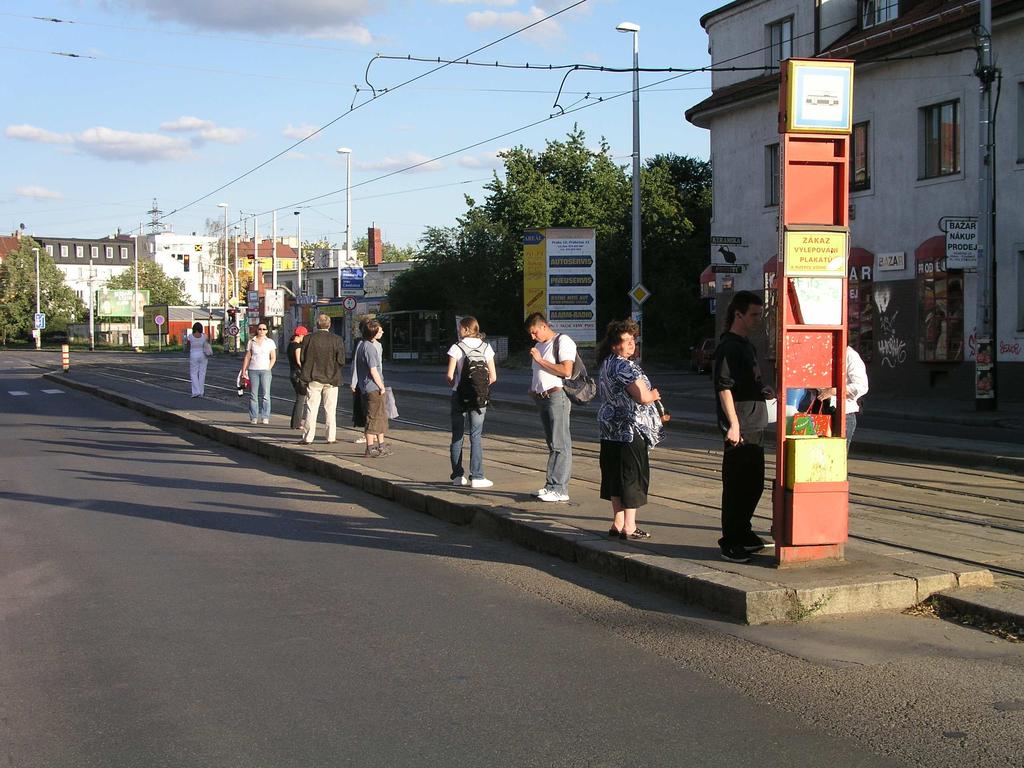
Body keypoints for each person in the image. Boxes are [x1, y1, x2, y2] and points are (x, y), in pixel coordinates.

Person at [714, 290, 774, 563]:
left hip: (755, 420)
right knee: (737, 485)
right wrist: (733, 424)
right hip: (741, 426)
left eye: (759, 314)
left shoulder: (746, 344)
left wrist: (763, 389)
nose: (757, 319)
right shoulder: (729, 346)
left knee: (754, 484)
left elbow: (747, 382)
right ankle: (731, 541)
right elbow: (724, 388)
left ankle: (744, 532)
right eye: (753, 314)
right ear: (737, 314)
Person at [596, 319, 663, 540]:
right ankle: (630, 527)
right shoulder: (624, 366)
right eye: (626, 340)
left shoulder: (606, 363)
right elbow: (643, 397)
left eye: (633, 339)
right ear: (615, 345)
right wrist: (654, 395)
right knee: (632, 477)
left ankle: (618, 523)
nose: (632, 344)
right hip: (630, 429)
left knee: (615, 476)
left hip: (609, 429)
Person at [526, 312, 574, 502]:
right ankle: (551, 485)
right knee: (553, 443)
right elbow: (537, 373)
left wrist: (540, 360)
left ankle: (559, 488)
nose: (532, 337)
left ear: (544, 326)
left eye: (534, 332)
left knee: (560, 443)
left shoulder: (563, 341)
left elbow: (566, 370)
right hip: (543, 397)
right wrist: (533, 389)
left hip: (557, 396)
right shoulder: (539, 345)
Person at [446, 316, 498, 488]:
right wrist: (479, 387)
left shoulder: (456, 347)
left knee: (457, 436)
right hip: (479, 398)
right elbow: (493, 376)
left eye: (460, 328)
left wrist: (457, 385)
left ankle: (457, 476)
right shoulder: (486, 347)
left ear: (467, 329)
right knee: (476, 436)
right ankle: (477, 476)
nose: (458, 331)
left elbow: (449, 375)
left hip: (459, 396)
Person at [299, 314, 346, 445]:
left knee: (311, 408)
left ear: (317, 324)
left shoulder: (308, 339)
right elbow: (341, 360)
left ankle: (308, 437)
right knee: (330, 409)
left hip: (313, 377)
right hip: (332, 378)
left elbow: (302, 358)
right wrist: (334, 369)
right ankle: (331, 437)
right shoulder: (337, 339)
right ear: (329, 325)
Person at [815, 345, 869, 451]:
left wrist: (834, 391)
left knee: (837, 455)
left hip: (843, 412)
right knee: (820, 452)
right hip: (821, 411)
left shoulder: (850, 355)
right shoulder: (821, 353)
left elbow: (861, 386)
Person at [355, 318, 391, 457]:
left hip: (368, 387)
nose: (382, 331)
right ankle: (370, 448)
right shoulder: (369, 348)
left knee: (380, 416)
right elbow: (373, 370)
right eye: (380, 329)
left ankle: (380, 445)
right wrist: (382, 387)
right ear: (374, 332)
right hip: (372, 388)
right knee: (373, 417)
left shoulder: (363, 345)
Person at [240, 320, 277, 425]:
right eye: (260, 329)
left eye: (264, 329)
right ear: (257, 330)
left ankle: (265, 416)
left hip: (265, 370)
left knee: (266, 395)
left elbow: (273, 357)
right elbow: (248, 357)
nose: (261, 331)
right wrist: (244, 371)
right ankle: (254, 417)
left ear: (266, 331)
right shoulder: (252, 341)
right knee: (253, 395)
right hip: (253, 370)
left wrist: (269, 368)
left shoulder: (270, 342)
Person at [287, 325, 309, 430]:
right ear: (300, 335)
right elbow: (299, 361)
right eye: (304, 335)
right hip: (298, 374)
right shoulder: (297, 346)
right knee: (301, 399)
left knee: (299, 398)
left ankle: (295, 422)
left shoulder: (290, 345)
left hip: (292, 373)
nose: (304, 337)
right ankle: (297, 423)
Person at [350, 321, 367, 444]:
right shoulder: (364, 343)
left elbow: (355, 365)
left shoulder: (362, 343)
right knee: (367, 409)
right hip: (367, 382)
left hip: (367, 383)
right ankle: (371, 435)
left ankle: (370, 435)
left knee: (368, 410)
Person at [184, 321, 210, 398]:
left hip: (194, 355)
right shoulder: (205, 336)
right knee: (202, 373)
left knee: (194, 373)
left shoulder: (190, 336)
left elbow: (188, 346)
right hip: (203, 355)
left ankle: (196, 392)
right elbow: (208, 345)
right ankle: (201, 392)